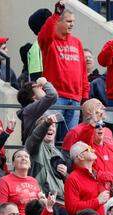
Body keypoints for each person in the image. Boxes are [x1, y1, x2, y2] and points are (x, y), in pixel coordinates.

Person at [38, 1, 89, 130]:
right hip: (56, 97)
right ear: (58, 22)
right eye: (68, 21)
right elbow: (44, 35)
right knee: (50, 135)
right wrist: (56, 14)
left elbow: (83, 71)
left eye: (73, 21)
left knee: (70, 139)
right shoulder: (49, 41)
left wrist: (85, 96)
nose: (72, 24)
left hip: (75, 99)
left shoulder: (77, 42)